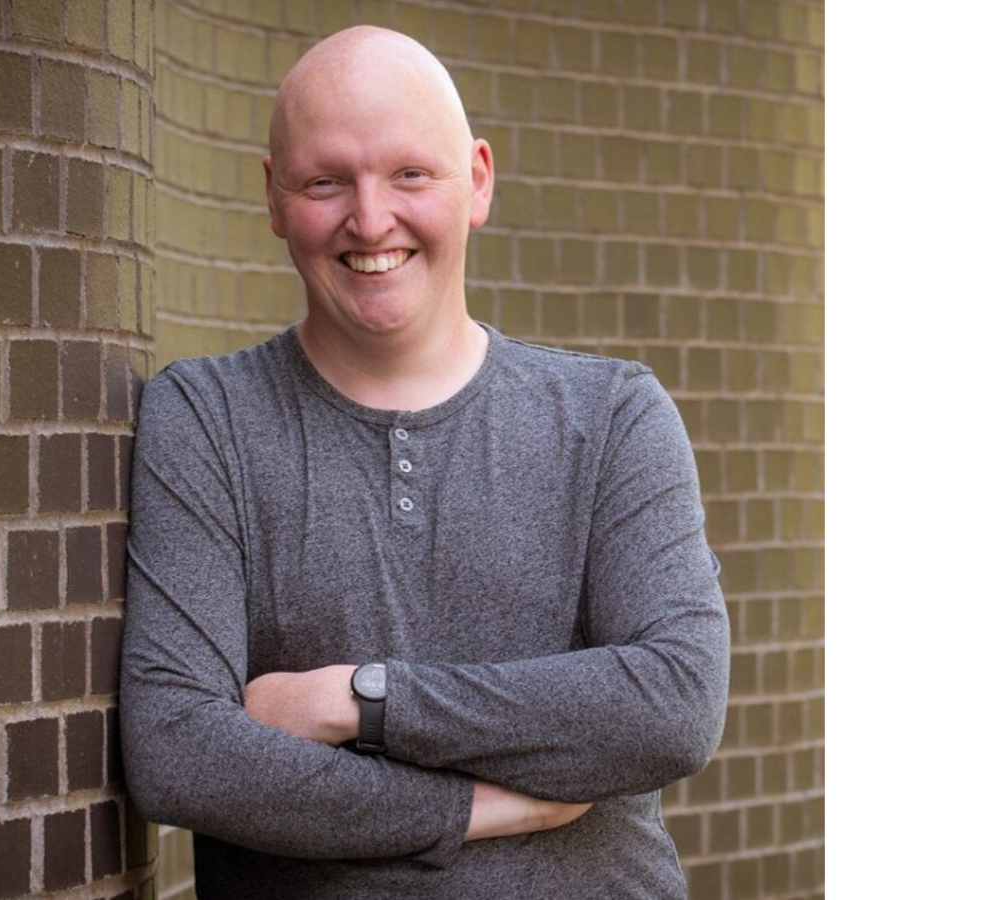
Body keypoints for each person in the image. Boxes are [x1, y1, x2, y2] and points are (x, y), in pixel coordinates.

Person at [120, 25, 729, 899]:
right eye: (327, 181)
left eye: (410, 174)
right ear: (272, 196)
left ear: (477, 180)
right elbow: (180, 750)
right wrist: (473, 807)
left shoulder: (613, 418)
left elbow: (673, 705)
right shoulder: (208, 420)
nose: (370, 220)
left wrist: (360, 701)